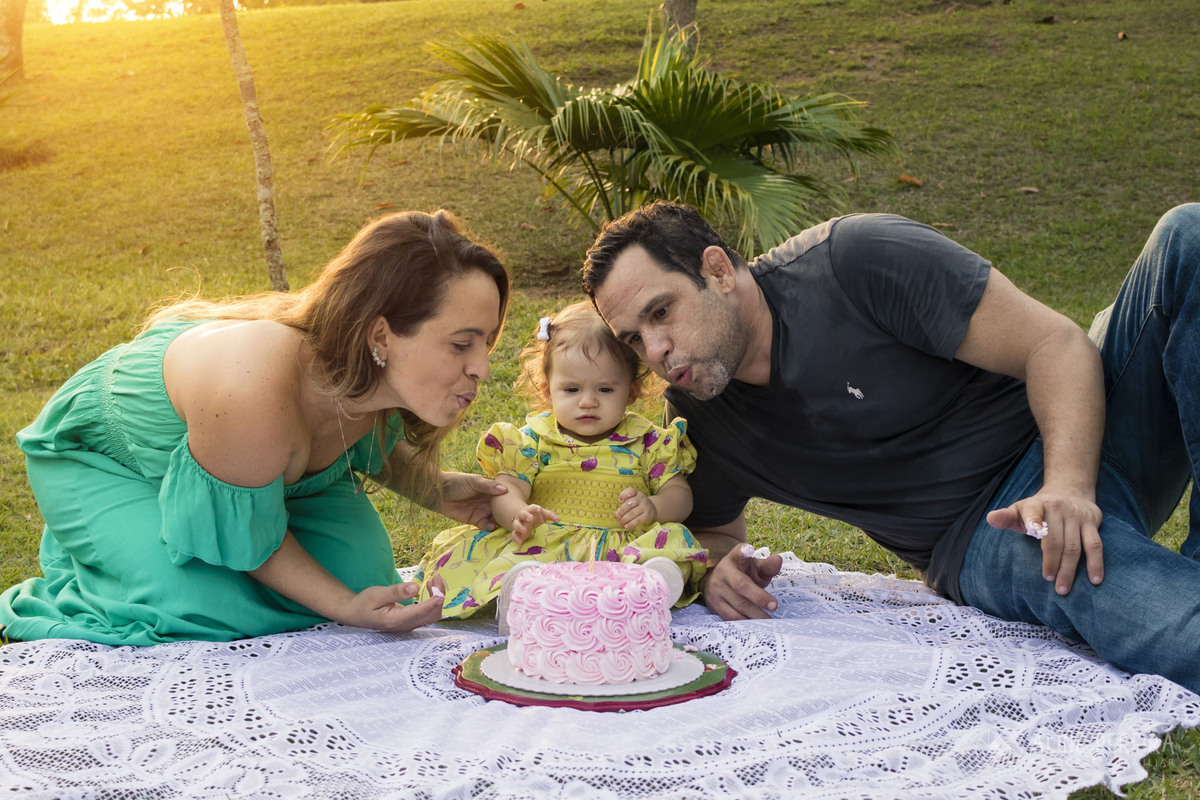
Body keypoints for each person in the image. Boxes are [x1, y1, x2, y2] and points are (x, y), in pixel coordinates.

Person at [581, 199, 1200, 693]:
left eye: (662, 312)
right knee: (1179, 628)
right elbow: (719, 534)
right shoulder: (698, 415)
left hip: (1083, 421)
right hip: (987, 527)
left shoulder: (854, 261)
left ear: (717, 270)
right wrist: (716, 568)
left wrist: (1067, 482)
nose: (655, 351)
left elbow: (1053, 345)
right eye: (634, 339)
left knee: (1189, 236)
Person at [0, 210, 513, 646]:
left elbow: (361, 431)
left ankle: (175, 536)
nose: (482, 369)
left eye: (486, 342)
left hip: (257, 469)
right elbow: (251, 541)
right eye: (461, 344)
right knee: (197, 608)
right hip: (111, 459)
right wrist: (347, 609)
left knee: (367, 580)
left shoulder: (371, 369)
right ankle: (86, 562)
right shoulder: (250, 385)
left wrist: (438, 490)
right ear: (381, 334)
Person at [415, 301, 708, 622]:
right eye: (571, 389)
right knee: (523, 562)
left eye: (605, 389)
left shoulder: (649, 440)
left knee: (663, 552)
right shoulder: (533, 440)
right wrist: (518, 514)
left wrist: (654, 506)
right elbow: (506, 489)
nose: (587, 401)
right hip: (548, 543)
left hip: (622, 549)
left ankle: (652, 584)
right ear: (547, 390)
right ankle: (524, 594)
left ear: (632, 391)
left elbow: (680, 495)